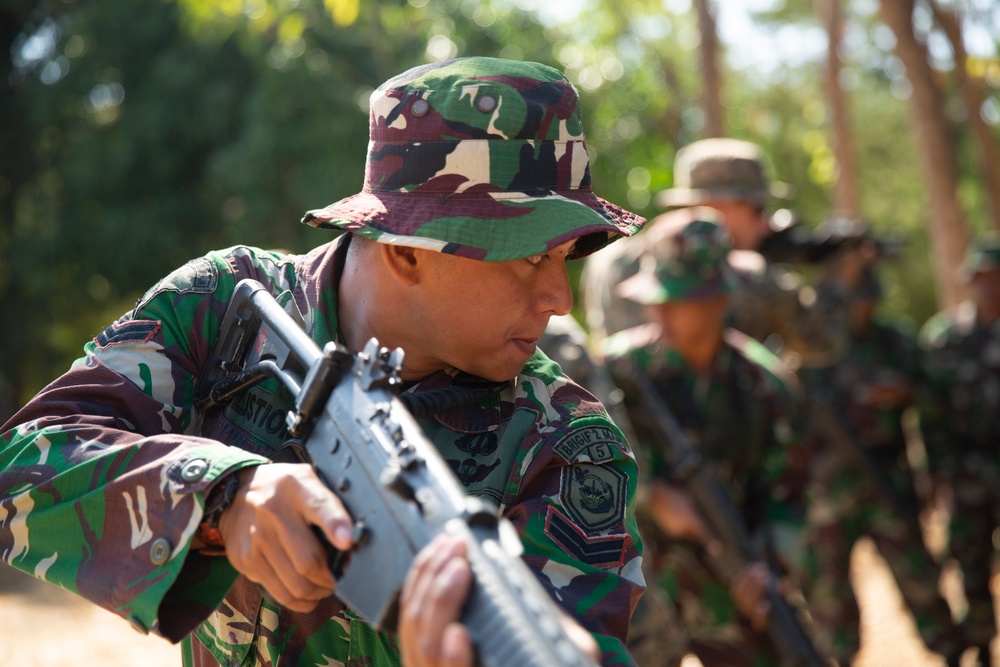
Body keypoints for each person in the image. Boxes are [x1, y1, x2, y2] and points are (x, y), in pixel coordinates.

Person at [0, 57, 647, 667]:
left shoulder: (566, 441)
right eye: (532, 256)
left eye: (567, 257)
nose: (560, 299)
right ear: (408, 251)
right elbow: (22, 460)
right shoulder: (224, 309)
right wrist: (223, 493)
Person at [603, 217, 813, 667]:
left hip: (730, 586)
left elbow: (788, 500)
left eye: (676, 301)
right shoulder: (617, 370)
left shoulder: (765, 387)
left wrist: (769, 570)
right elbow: (586, 469)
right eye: (655, 298)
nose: (659, 312)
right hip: (639, 585)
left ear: (719, 300)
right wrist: (654, 496)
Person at [798, 255, 965, 667]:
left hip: (887, 479)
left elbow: (934, 397)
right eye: (854, 301)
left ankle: (955, 652)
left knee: (922, 585)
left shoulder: (894, 341)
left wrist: (904, 394)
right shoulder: (810, 344)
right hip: (827, 490)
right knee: (830, 602)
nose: (862, 310)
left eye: (868, 301)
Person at [581, 137, 863, 370]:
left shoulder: (606, 259)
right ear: (720, 203)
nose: (765, 225)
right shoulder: (748, 274)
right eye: (758, 209)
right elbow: (823, 344)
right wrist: (838, 281)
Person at [920, 238, 1000, 667]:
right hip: (966, 469)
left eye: (995, 277)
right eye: (980, 278)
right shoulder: (945, 338)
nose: (988, 287)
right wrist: (934, 475)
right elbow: (930, 415)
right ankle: (981, 644)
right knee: (970, 563)